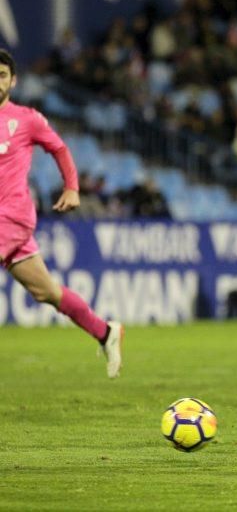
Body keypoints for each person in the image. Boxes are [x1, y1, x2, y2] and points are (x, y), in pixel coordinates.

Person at [0, 49, 123, 378]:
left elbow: (59, 148)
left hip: (11, 214)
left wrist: (71, 186)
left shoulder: (26, 119)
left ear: (13, 80)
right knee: (47, 292)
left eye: (2, 75)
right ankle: (105, 332)